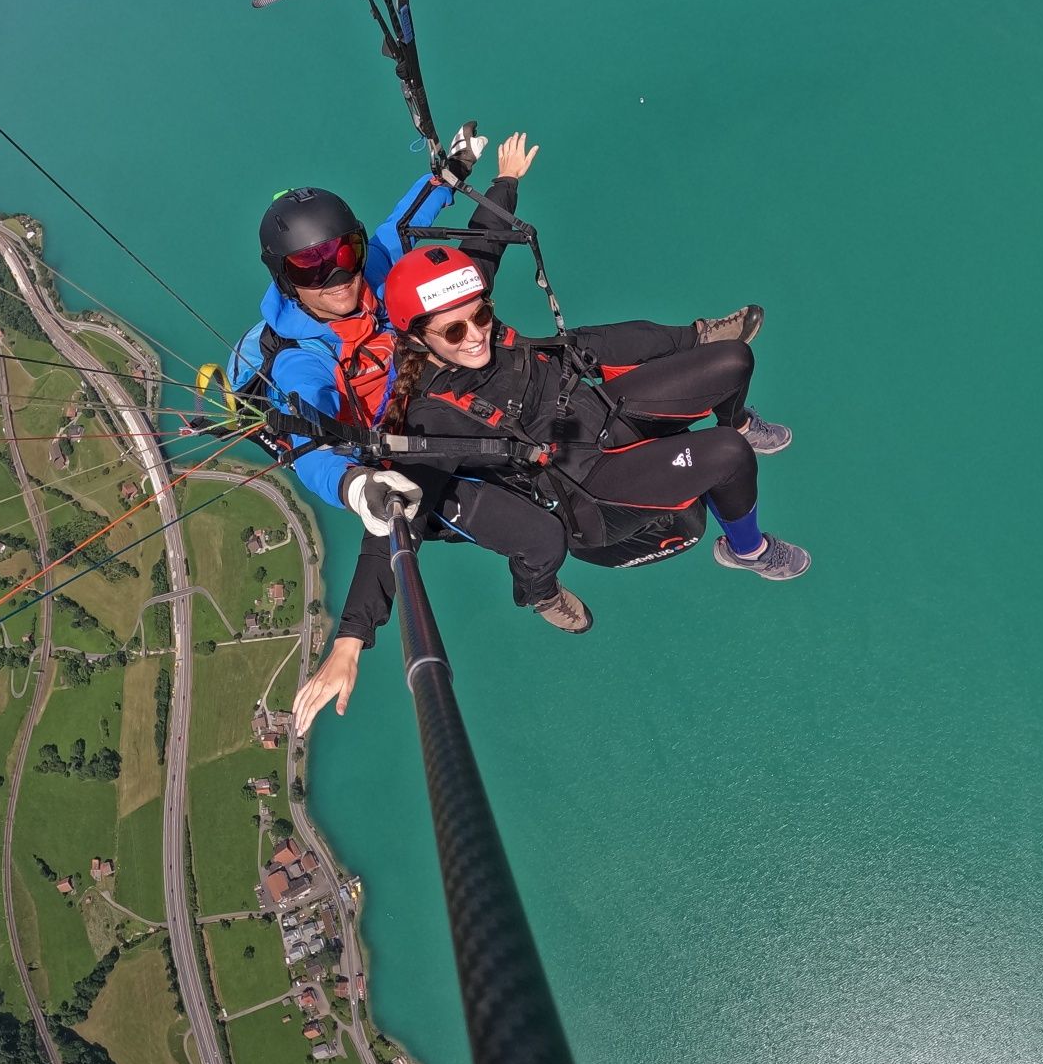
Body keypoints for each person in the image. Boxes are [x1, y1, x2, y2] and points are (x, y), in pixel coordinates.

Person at [229, 129, 761, 625]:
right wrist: (352, 485)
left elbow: (425, 230)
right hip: (412, 439)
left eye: (345, 253)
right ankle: (538, 590)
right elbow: (307, 434)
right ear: (284, 276)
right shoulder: (304, 359)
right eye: (312, 270)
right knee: (539, 535)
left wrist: (464, 175)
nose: (339, 276)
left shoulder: (381, 277)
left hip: (458, 371)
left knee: (575, 346)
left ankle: (698, 348)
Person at [293, 246, 807, 732]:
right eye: (454, 330)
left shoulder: (496, 343)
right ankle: (748, 550)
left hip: (597, 423)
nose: (474, 336)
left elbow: (589, 343)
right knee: (724, 455)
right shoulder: (431, 423)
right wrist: (351, 638)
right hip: (589, 492)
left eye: (481, 316)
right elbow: (393, 518)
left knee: (734, 359)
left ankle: (740, 423)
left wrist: (501, 184)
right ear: (417, 337)